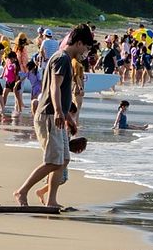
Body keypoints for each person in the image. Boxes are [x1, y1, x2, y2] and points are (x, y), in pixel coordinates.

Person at [14, 23, 94, 208]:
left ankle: (51, 200)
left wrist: (68, 118)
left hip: (57, 115)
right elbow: (54, 87)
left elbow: (61, 91)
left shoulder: (62, 58)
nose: (86, 53)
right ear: (79, 43)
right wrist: (59, 112)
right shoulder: (62, 59)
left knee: (63, 160)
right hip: (49, 115)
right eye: (86, 48)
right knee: (52, 161)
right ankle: (21, 191)